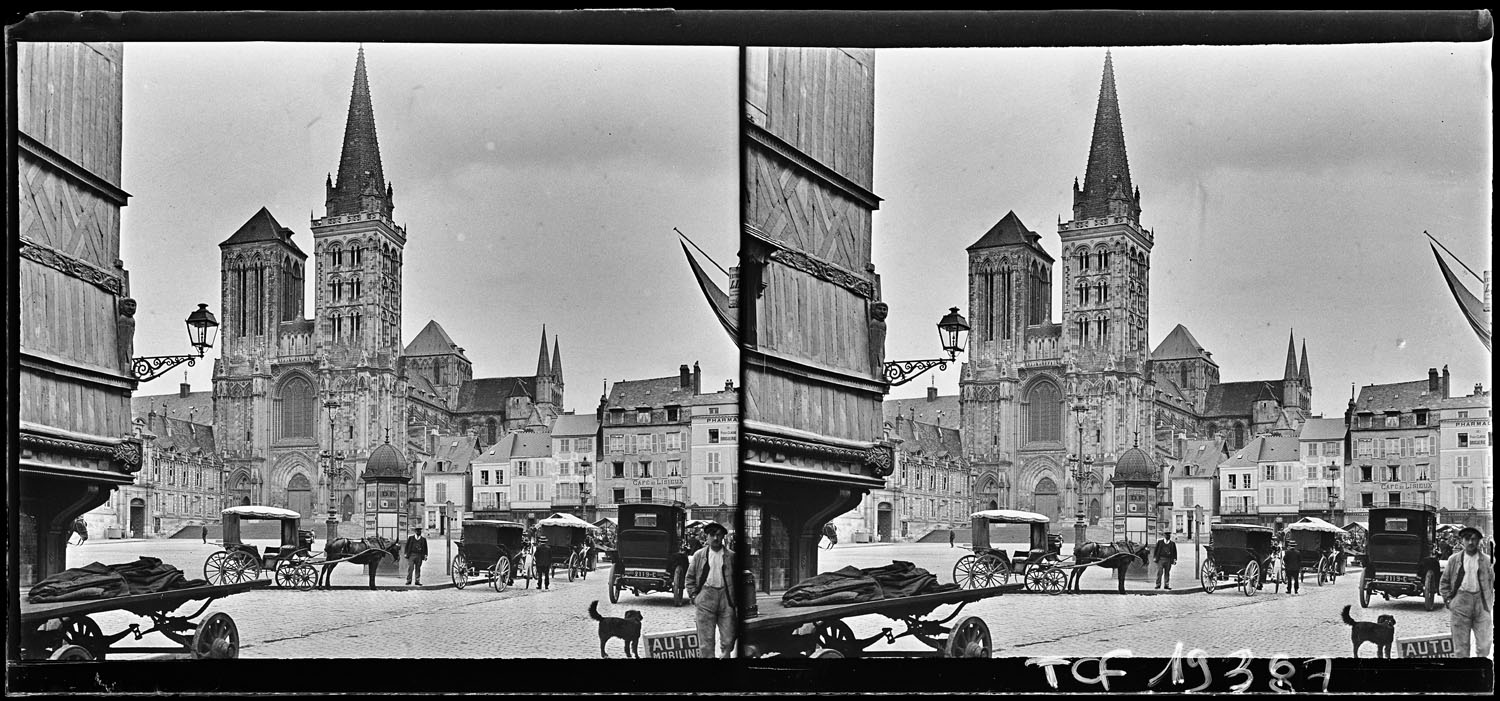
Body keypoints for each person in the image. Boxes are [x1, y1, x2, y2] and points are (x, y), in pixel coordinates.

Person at [1439, 526, 1494, 658]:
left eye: (1474, 539)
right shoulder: (1454, 559)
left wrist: (1489, 603)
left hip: (1482, 604)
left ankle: (1481, 674)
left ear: (1479, 541)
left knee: (1485, 645)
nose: (1470, 542)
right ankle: (1465, 676)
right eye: (1467, 539)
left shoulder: (1487, 561)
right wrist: (1449, 601)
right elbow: (1444, 582)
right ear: (1462, 540)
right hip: (1460, 603)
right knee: (1461, 647)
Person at [687, 521, 736, 658]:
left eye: (719, 535)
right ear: (707, 537)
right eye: (712, 535)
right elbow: (689, 578)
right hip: (706, 597)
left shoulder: (731, 556)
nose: (715, 538)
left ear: (723, 537)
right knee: (706, 640)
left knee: (728, 638)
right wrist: (694, 597)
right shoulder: (699, 555)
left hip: (726, 598)